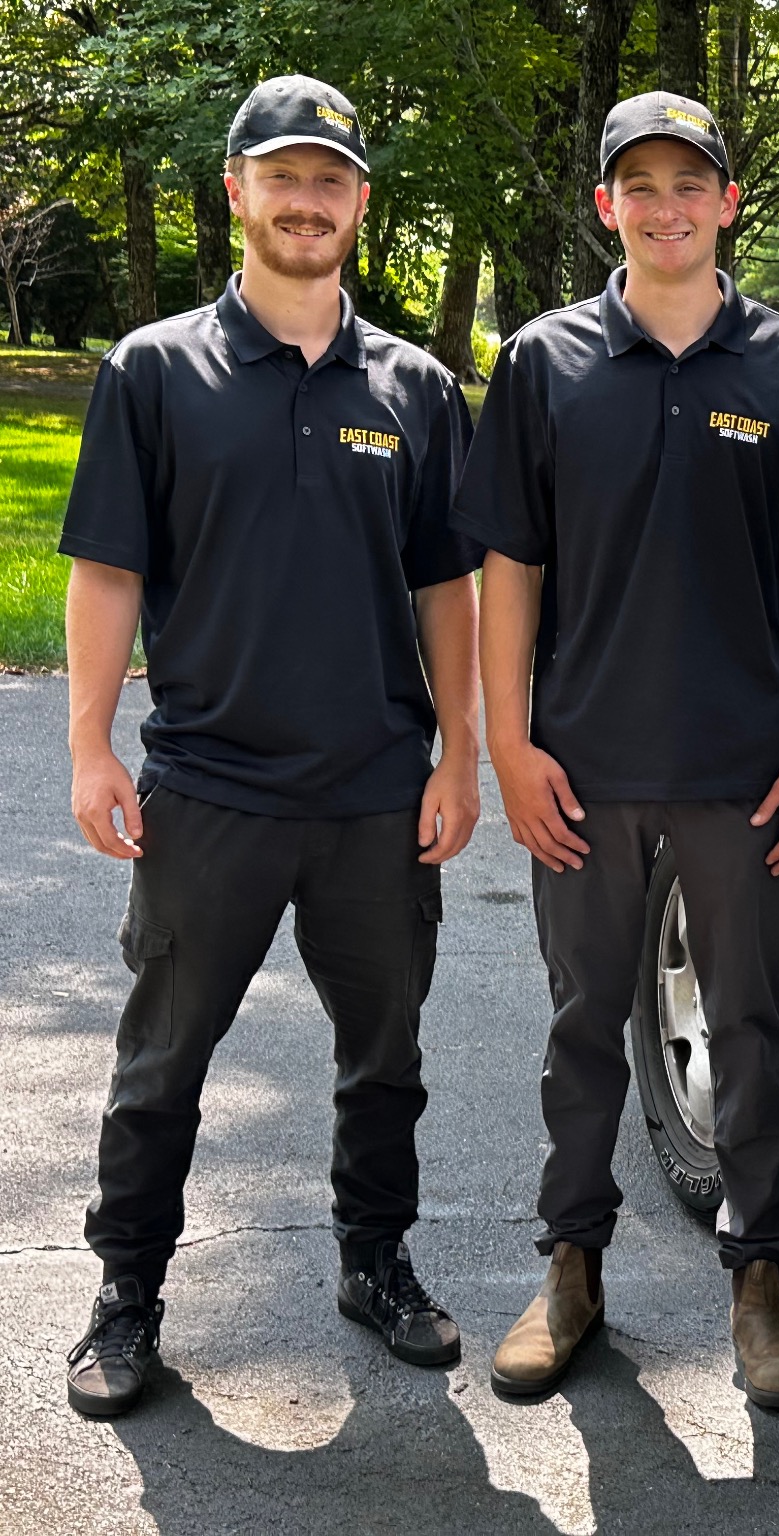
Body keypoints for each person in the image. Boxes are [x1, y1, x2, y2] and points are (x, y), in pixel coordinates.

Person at [58, 75, 482, 1419]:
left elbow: (447, 589)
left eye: (331, 179)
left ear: (361, 200)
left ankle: (374, 1262)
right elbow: (107, 570)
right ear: (237, 189)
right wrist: (90, 745)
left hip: (375, 795)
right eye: (283, 176)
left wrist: (460, 755)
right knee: (161, 1067)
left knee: (387, 1059)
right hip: (208, 789)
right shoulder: (154, 371)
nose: (308, 201)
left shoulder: (416, 387)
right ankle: (127, 1294)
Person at [456, 92, 779, 1408]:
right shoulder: (543, 363)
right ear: (608, 206)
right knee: (585, 1023)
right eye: (638, 185)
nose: (665, 206)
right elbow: (509, 568)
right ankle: (572, 1270)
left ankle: (759, 1285)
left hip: (744, 771)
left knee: (750, 1031)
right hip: (581, 768)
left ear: (727, 201)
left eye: (689, 182)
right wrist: (509, 745)